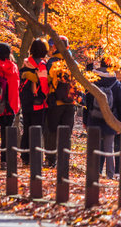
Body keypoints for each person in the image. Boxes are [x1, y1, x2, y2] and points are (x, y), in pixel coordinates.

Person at [83, 56, 121, 179]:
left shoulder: (92, 80)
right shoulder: (116, 83)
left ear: (100, 64)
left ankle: (93, 173)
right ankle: (110, 175)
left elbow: (87, 102)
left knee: (93, 148)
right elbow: (120, 104)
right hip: (110, 119)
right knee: (109, 148)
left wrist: (85, 120)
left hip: (94, 118)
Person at [45, 36, 80, 167]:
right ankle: (64, 159)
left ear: (55, 47)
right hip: (70, 103)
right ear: (67, 47)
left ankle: (50, 159)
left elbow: (47, 81)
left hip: (55, 103)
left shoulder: (51, 62)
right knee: (66, 133)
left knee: (52, 131)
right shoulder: (73, 63)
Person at [19, 38, 50, 165]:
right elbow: (44, 85)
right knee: (37, 130)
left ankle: (24, 156)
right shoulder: (41, 65)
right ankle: (35, 156)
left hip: (26, 101)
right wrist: (47, 95)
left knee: (26, 128)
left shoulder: (26, 62)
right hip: (38, 102)